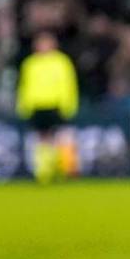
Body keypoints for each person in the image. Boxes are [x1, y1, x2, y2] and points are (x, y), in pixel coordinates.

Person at [16, 31, 79, 184]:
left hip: (56, 105)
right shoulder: (30, 63)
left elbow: (69, 84)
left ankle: (66, 170)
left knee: (63, 137)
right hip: (37, 106)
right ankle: (44, 172)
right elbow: (24, 86)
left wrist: (69, 104)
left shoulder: (61, 62)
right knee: (42, 139)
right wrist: (23, 105)